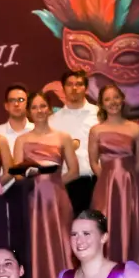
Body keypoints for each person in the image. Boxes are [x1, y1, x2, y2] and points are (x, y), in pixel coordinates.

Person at [14, 92, 79, 278]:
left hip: (58, 198)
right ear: (29, 111)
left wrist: (55, 183)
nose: (39, 111)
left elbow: (74, 171)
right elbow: (17, 174)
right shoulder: (22, 140)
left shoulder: (63, 137)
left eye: (43, 106)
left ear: (49, 109)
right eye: (34, 107)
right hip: (33, 199)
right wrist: (35, 179)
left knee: (63, 242)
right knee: (37, 243)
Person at [88, 83, 139, 267]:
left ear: (122, 99)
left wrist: (128, 178)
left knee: (132, 227)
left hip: (130, 185)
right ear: (102, 103)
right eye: (107, 99)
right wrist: (106, 180)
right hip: (105, 186)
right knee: (107, 229)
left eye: (115, 97)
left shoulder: (135, 128)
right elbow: (94, 161)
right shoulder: (96, 130)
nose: (113, 102)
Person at [48, 70, 100, 213]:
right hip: (69, 184)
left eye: (79, 84)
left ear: (86, 88)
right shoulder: (53, 121)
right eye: (70, 84)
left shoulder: (99, 115)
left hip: (98, 181)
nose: (74, 88)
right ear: (63, 88)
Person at [0, 83, 34, 149]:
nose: (16, 104)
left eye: (21, 100)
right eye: (12, 100)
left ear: (28, 104)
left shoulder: (37, 131)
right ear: (6, 106)